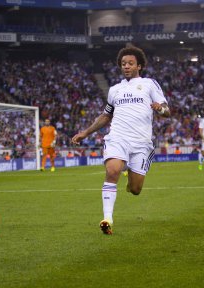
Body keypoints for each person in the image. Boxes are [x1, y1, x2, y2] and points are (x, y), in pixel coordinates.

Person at [71, 45, 170, 235]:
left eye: (130, 63)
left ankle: (129, 179)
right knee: (113, 170)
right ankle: (107, 218)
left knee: (135, 189)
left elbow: (167, 110)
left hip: (142, 143)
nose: (126, 66)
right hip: (118, 137)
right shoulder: (115, 90)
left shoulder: (150, 84)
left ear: (139, 66)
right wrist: (86, 132)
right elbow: (106, 116)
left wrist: (160, 109)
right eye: (123, 63)